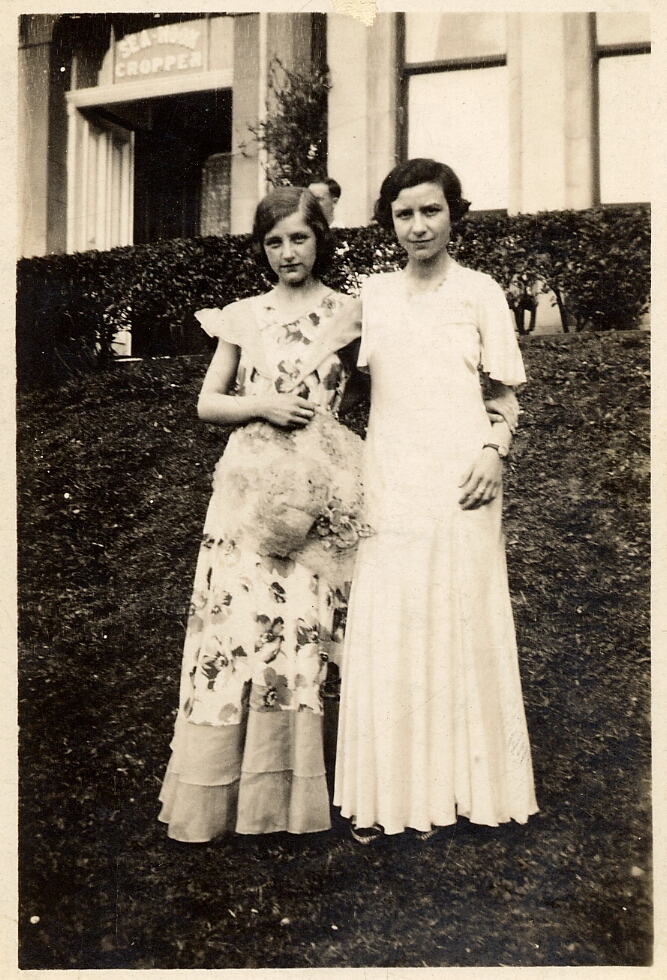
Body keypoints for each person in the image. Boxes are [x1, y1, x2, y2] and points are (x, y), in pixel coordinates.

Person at [333, 159, 538, 843]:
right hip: (391, 481)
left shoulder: (480, 292)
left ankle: (462, 790)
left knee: (459, 620)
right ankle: (393, 796)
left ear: (453, 214)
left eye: (430, 211)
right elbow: (339, 377)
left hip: (461, 481)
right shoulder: (373, 296)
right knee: (395, 624)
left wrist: (493, 452)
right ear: (388, 222)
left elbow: (502, 397)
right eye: (404, 214)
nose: (418, 226)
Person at [158, 187, 364, 841]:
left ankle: (299, 789)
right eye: (274, 242)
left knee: (304, 625)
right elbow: (207, 402)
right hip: (247, 495)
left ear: (319, 240)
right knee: (240, 628)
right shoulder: (243, 317)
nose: (287, 253)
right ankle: (230, 794)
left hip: (320, 490)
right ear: (262, 250)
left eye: (299, 238)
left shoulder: (351, 315)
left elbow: (385, 395)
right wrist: (264, 405)